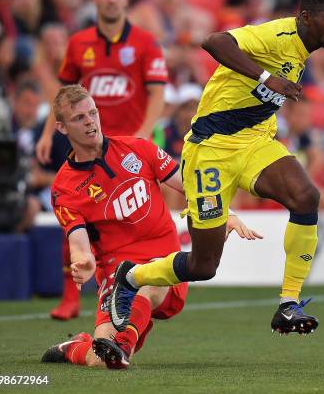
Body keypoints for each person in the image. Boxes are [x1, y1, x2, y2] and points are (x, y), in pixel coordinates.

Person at [107, 0, 324, 336]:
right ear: (306, 17)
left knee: (306, 197)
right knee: (203, 265)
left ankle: (288, 304)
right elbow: (214, 41)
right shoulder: (275, 35)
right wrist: (269, 78)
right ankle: (129, 277)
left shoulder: (304, 48)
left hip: (254, 141)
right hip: (210, 150)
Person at [40, 85, 260, 369]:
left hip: (165, 261)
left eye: (93, 113)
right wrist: (83, 262)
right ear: (61, 127)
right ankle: (75, 347)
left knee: (147, 281)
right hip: (116, 273)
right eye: (79, 118)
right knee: (99, 361)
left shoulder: (137, 148)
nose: (90, 122)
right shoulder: (64, 188)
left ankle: (124, 345)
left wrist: (224, 213)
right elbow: (79, 244)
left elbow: (190, 187)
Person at [35, 0, 168, 320]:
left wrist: (143, 132)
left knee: (136, 215)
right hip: (83, 150)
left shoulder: (145, 42)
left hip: (128, 147)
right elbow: (63, 98)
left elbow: (158, 92)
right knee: (76, 218)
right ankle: (72, 296)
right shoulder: (79, 44)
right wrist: (49, 133)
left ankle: (148, 281)